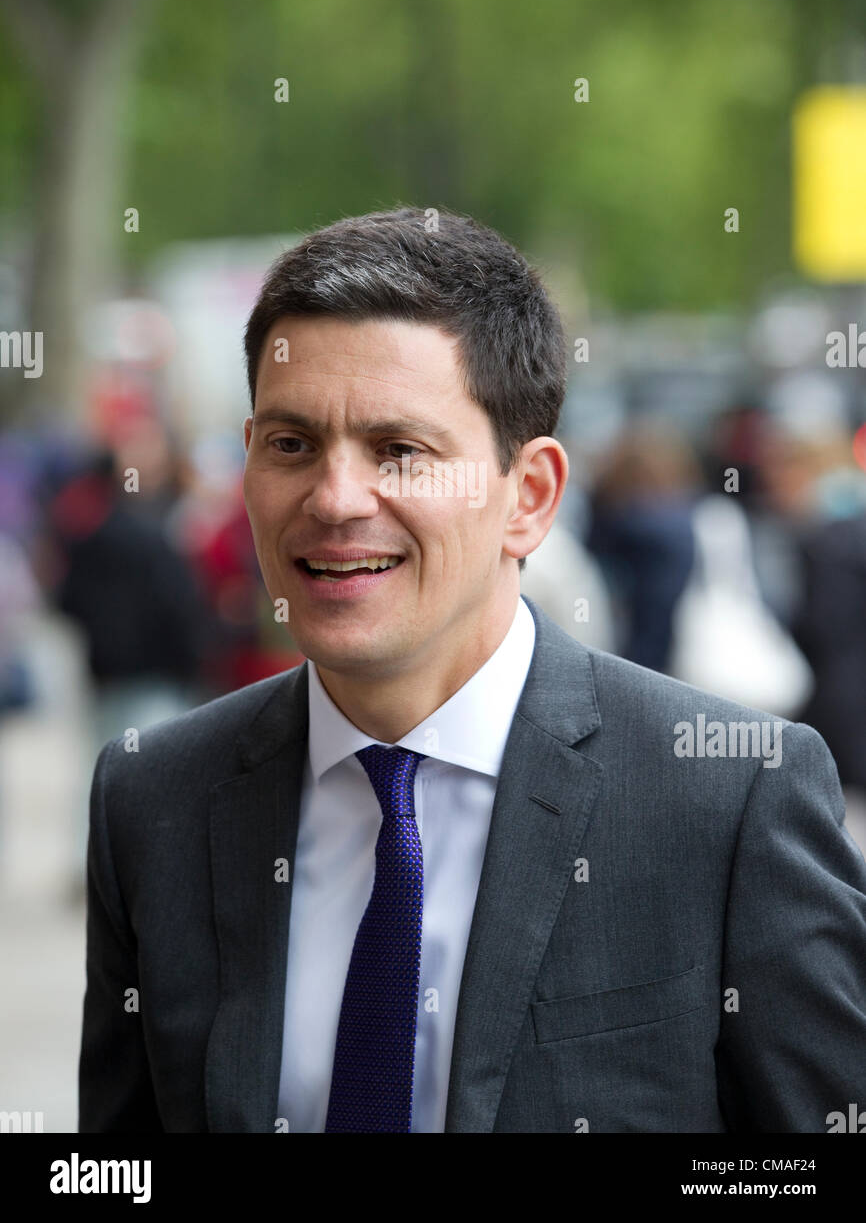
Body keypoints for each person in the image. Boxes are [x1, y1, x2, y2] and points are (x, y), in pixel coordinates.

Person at [78, 207, 866, 1133]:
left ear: (528, 498)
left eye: (399, 451)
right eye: (292, 446)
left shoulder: (727, 798)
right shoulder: (153, 799)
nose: (334, 499)